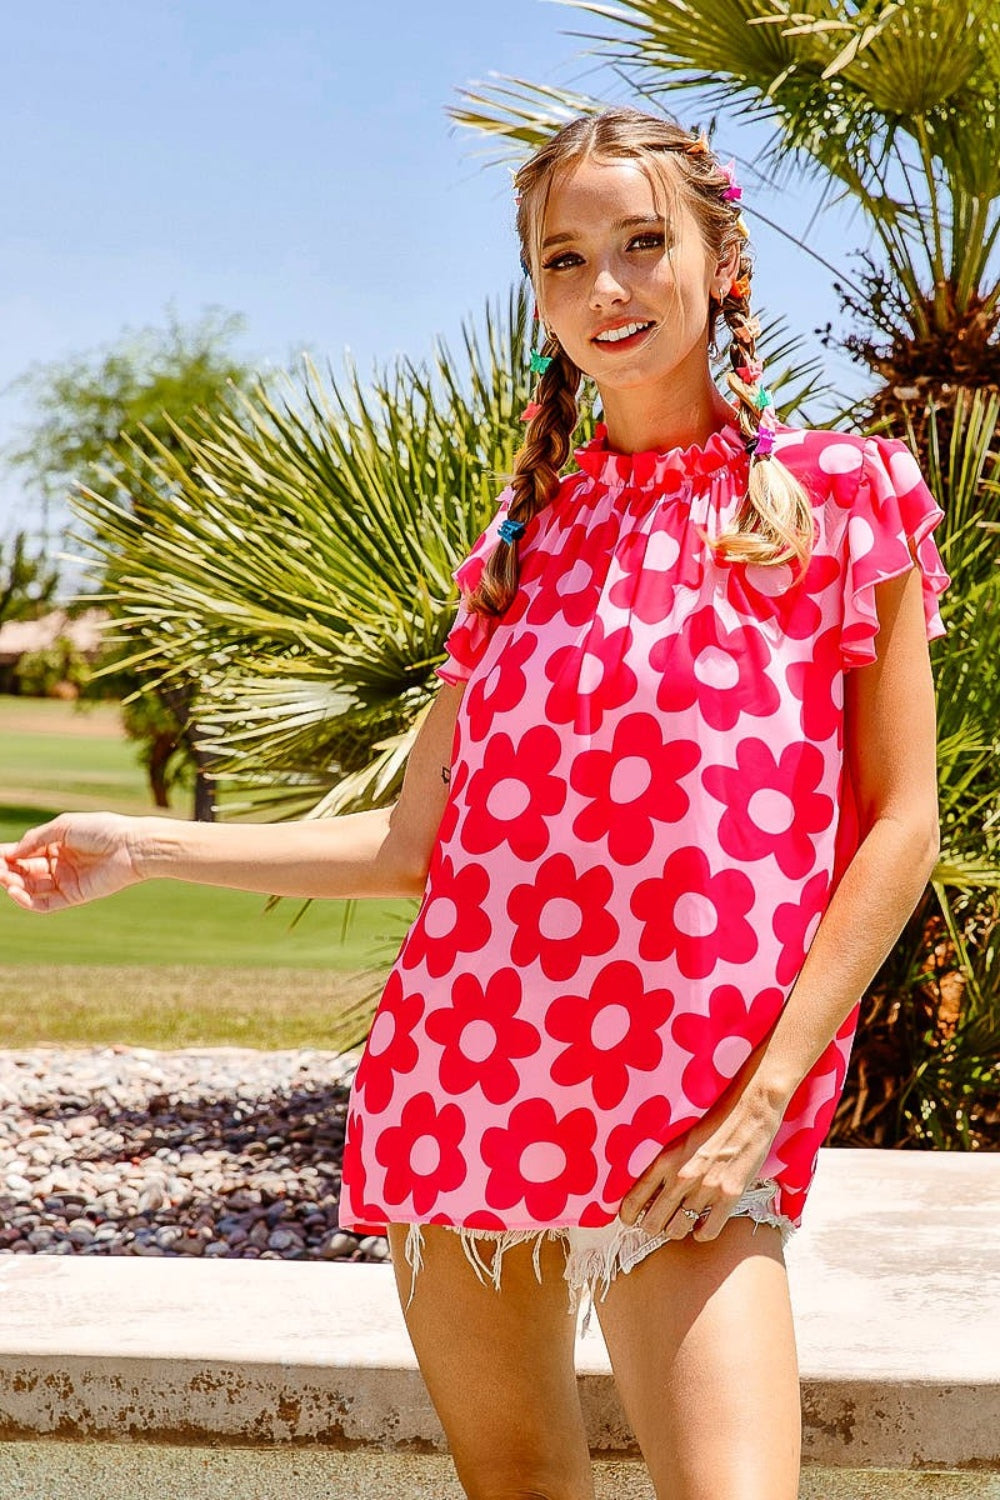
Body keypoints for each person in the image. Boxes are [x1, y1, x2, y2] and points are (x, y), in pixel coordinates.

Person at [0, 106, 950, 1500]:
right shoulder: (525, 546)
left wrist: (762, 1106)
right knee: (516, 1487)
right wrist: (137, 846)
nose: (605, 290)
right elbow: (413, 848)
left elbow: (898, 824)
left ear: (722, 261)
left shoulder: (834, 501)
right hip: (469, 1079)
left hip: (696, 1114)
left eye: (641, 244)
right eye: (563, 261)